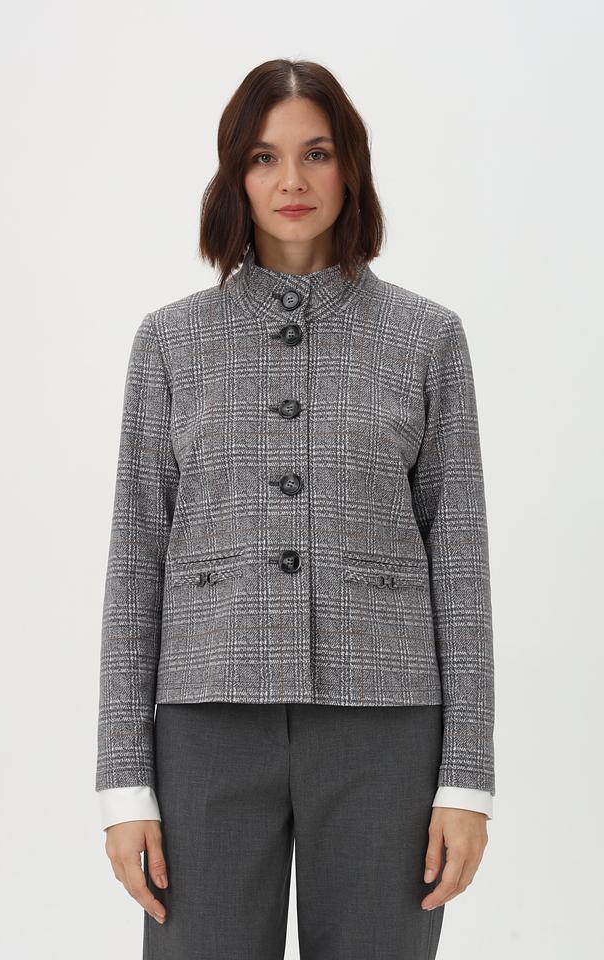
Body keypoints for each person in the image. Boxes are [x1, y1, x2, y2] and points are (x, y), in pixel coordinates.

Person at [95, 58, 495, 960]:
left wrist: (467, 779)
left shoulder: (427, 339)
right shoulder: (170, 342)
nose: (291, 181)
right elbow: (134, 558)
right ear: (235, 175)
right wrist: (124, 784)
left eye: (316, 154)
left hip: (387, 726)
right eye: (264, 157)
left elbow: (461, 560)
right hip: (204, 724)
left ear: (349, 166)